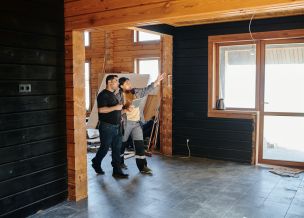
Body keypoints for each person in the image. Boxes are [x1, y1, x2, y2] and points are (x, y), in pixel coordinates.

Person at [116, 74, 164, 174]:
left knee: (139, 145)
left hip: (137, 123)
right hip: (126, 123)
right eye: (127, 83)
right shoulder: (118, 97)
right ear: (121, 86)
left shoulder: (135, 91)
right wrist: (125, 109)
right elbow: (115, 112)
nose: (130, 84)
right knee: (122, 144)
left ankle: (143, 167)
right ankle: (119, 163)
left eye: (130, 82)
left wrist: (156, 82)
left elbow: (146, 90)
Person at [91, 75, 128, 178]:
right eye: (116, 81)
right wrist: (116, 107)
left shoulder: (113, 95)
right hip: (107, 127)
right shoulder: (103, 95)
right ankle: (96, 162)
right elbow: (101, 110)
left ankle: (117, 171)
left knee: (117, 149)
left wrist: (123, 111)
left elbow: (115, 111)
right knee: (105, 148)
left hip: (117, 126)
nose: (118, 83)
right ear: (109, 82)